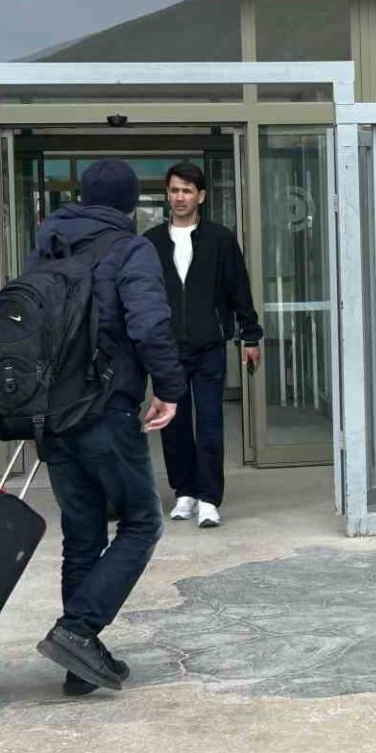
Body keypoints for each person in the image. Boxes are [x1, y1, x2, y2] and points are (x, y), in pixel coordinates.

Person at [31, 159, 185, 695]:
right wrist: (169, 388)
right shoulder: (130, 249)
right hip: (105, 406)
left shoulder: (47, 246)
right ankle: (77, 630)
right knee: (142, 522)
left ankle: (80, 665)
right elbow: (149, 324)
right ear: (129, 203)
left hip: (52, 413)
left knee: (83, 535)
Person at [145, 161, 262, 529]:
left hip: (209, 344)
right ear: (167, 194)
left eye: (187, 190)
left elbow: (238, 288)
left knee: (210, 422)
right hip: (167, 348)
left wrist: (251, 335)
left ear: (201, 196)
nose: (179, 197)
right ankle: (185, 492)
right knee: (173, 424)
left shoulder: (220, 239)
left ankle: (209, 498)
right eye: (174, 190)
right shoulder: (151, 241)